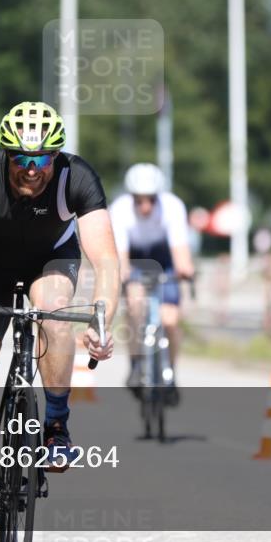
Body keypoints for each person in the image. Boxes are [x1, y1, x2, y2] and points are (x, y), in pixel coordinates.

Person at [0, 102, 118, 542]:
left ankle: (56, 424)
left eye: (41, 159)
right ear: (6, 156)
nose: (32, 169)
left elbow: (107, 259)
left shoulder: (76, 177)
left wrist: (101, 320)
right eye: (21, 158)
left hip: (50, 262)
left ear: (55, 158)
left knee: (57, 316)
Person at [109, 163, 195, 404]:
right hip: (135, 258)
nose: (145, 206)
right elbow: (121, 257)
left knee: (170, 319)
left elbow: (180, 250)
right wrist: (123, 275)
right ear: (131, 197)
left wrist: (185, 269)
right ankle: (137, 363)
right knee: (136, 305)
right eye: (139, 200)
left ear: (159, 196)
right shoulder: (120, 209)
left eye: (150, 200)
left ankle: (170, 373)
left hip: (163, 257)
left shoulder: (172, 206)